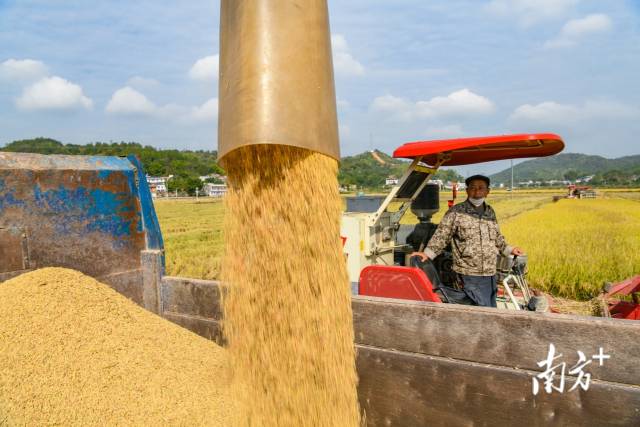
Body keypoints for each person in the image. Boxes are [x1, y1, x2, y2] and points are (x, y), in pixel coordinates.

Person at [410, 174, 523, 307]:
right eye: (473, 188)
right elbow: (442, 235)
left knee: (490, 308)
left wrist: (510, 249)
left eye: (481, 188)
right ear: (467, 190)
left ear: (487, 192)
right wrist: (426, 254)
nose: (477, 191)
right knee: (479, 311)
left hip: (490, 272)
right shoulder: (457, 212)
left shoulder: (490, 212)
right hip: (469, 273)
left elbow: (497, 237)